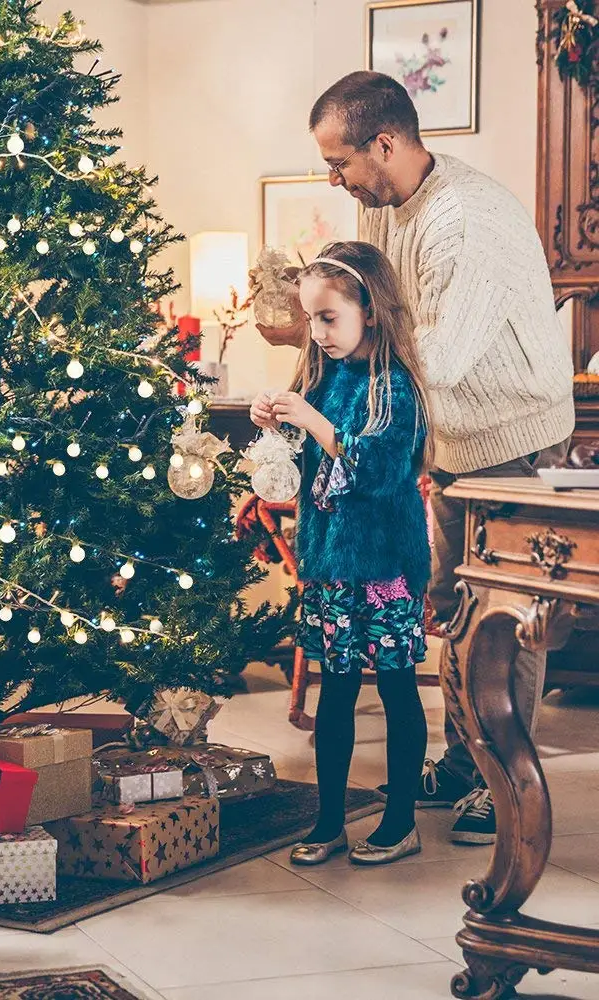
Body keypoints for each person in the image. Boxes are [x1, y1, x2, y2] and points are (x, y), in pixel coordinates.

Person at [258, 71, 575, 846]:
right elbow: (388, 312)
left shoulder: (461, 219)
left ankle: (500, 783)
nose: (335, 178)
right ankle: (470, 765)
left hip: (513, 435)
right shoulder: (396, 205)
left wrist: (331, 340)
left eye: (341, 162)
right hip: (454, 440)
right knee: (452, 602)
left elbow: (441, 354)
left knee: (504, 616)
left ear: (386, 144)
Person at [251, 241, 434, 866]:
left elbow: (376, 471)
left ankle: (401, 821)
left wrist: (314, 420)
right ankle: (328, 821)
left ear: (371, 310)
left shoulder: (397, 388)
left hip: (386, 569)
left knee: (396, 689)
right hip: (330, 566)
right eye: (311, 318)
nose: (318, 331)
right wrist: (279, 423)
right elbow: (308, 469)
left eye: (330, 317)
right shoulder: (319, 381)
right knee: (334, 693)